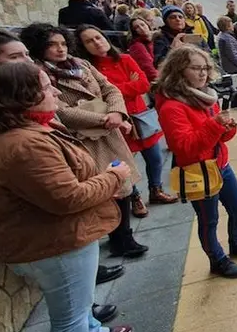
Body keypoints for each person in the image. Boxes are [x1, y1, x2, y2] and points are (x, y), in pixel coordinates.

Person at [0, 61, 134, 332]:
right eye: (46, 87)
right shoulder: (24, 144)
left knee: (78, 304)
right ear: (19, 98)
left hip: (54, 237)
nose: (55, 92)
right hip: (54, 243)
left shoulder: (23, 132)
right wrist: (115, 175)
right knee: (70, 313)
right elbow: (68, 197)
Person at [21, 23, 148, 260]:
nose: (60, 49)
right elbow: (62, 111)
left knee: (122, 185)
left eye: (62, 43)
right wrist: (105, 119)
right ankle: (114, 238)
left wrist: (117, 114)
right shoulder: (40, 75)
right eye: (52, 45)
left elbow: (110, 89)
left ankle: (125, 237)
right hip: (83, 140)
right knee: (102, 188)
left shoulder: (81, 64)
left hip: (109, 133)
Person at [154, 46, 237, 278]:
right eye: (195, 68)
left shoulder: (206, 96)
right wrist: (214, 125)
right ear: (179, 70)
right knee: (208, 220)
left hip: (221, 164)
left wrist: (227, 128)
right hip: (197, 170)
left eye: (205, 68)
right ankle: (218, 259)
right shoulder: (172, 106)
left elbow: (220, 139)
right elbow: (184, 147)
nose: (202, 74)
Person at [75, 24, 177, 215]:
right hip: (116, 121)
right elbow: (100, 97)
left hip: (140, 116)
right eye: (89, 41)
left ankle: (156, 189)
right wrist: (126, 86)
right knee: (124, 162)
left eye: (98, 37)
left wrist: (114, 89)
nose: (96, 43)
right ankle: (135, 197)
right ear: (82, 46)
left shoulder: (125, 58)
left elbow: (143, 84)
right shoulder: (88, 69)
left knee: (155, 158)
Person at [126, 18, 159, 83]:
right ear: (134, 31)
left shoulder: (156, 38)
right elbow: (148, 69)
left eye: (142, 24)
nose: (141, 28)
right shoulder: (136, 46)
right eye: (136, 27)